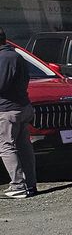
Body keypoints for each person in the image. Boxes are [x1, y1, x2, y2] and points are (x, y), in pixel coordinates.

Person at [0, 29, 36, 199]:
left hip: (7, 109)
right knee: (24, 147)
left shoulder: (3, 58)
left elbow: (2, 84)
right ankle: (30, 184)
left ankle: (18, 186)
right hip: (22, 106)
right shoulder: (16, 56)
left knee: (7, 147)